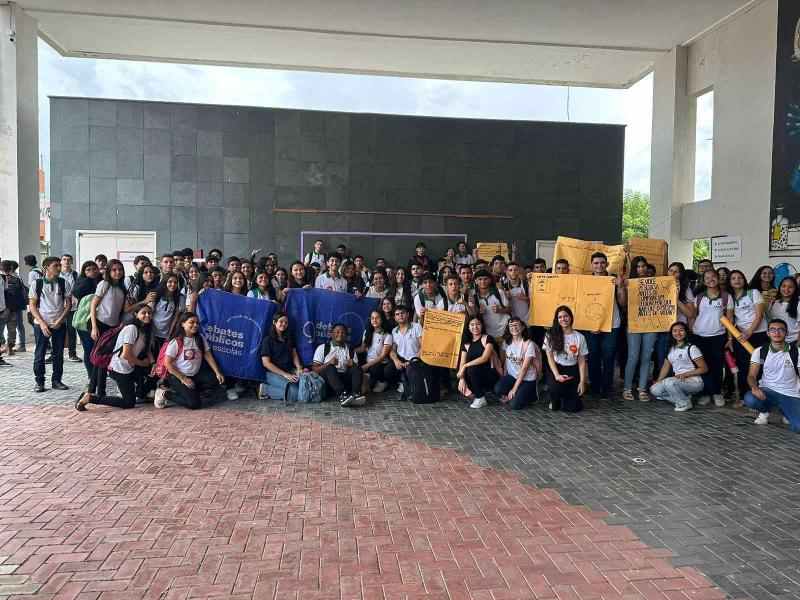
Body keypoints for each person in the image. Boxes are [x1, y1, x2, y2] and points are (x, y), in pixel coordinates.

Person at [75, 304, 155, 411]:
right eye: (143, 313)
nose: (147, 315)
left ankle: (141, 392)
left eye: (149, 313)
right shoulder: (132, 329)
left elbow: (147, 349)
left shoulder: (144, 331)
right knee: (129, 402)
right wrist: (143, 363)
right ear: (136, 314)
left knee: (152, 376)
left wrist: (153, 363)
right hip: (119, 369)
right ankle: (91, 398)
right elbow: (125, 354)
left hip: (130, 368)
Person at [159, 312, 226, 410]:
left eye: (197, 323)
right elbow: (167, 363)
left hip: (195, 375)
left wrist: (217, 372)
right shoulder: (176, 342)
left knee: (215, 380)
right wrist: (183, 378)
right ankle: (165, 394)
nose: (195, 325)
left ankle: (191, 392)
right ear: (183, 324)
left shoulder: (200, 338)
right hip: (177, 376)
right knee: (194, 404)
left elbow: (207, 354)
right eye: (191, 322)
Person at [744, 318, 800, 430]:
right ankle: (765, 411)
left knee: (798, 427)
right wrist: (754, 388)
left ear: (787, 333)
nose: (777, 333)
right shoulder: (760, 351)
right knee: (750, 398)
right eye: (773, 330)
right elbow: (751, 376)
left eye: (781, 330)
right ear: (768, 333)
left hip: (791, 394)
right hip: (768, 391)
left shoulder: (797, 352)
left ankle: (785, 411)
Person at [584, 252, 625, 400]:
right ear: (591, 265)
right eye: (596, 263)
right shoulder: (585, 281)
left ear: (607, 264)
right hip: (591, 325)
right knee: (593, 356)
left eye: (602, 263)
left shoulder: (613, 280)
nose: (599, 265)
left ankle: (607, 387)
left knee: (609, 357)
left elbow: (622, 303)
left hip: (612, 324)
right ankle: (595, 387)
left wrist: (620, 287)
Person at [28, 257, 71, 392]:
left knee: (58, 354)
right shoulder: (37, 283)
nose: (59, 268)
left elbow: (68, 305)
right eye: (56, 265)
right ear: (46, 267)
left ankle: (56, 380)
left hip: (59, 324)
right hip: (41, 324)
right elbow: (32, 306)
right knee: (39, 353)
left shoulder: (64, 283)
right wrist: (42, 323)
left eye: (59, 265)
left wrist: (59, 320)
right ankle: (39, 382)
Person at [692, 269, 734, 407]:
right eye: (707, 278)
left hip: (718, 336)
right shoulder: (698, 297)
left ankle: (716, 393)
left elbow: (729, 319)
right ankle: (705, 393)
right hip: (699, 336)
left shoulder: (726, 297)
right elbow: (692, 316)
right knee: (702, 366)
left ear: (718, 278)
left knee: (716, 366)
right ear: (704, 281)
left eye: (713, 277)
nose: (711, 279)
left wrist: (729, 338)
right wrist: (692, 332)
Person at [88, 259, 127, 400]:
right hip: (99, 324)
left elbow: (125, 309)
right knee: (99, 359)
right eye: (114, 269)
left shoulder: (122, 287)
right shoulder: (104, 284)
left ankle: (95, 390)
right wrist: (93, 327)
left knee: (103, 360)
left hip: (112, 327)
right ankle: (98, 391)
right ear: (109, 271)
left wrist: (143, 302)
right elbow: (93, 305)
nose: (117, 272)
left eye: (120, 269)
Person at [651, 322, 708, 411]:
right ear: (671, 333)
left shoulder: (691, 348)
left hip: (694, 382)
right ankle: (683, 398)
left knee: (669, 382)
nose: (678, 333)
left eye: (681, 330)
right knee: (654, 390)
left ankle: (684, 403)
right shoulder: (671, 349)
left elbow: (704, 368)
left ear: (686, 332)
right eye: (675, 331)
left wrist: (686, 374)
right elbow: (665, 367)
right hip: (678, 381)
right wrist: (658, 381)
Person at [728, 269, 768, 396]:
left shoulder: (753, 292)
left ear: (744, 280)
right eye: (733, 278)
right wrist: (731, 338)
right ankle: (744, 394)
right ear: (730, 282)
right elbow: (729, 320)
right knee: (743, 365)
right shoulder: (730, 298)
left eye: (739, 277)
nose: (737, 280)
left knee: (760, 364)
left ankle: (762, 393)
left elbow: (759, 315)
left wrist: (749, 331)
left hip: (758, 334)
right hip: (741, 337)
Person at [623, 257, 657, 402]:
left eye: (643, 266)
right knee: (633, 357)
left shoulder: (656, 283)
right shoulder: (628, 283)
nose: (641, 269)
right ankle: (627, 388)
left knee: (646, 357)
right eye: (638, 267)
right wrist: (622, 288)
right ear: (634, 269)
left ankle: (642, 389)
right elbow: (623, 304)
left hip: (651, 324)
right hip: (634, 323)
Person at [543, 306, 588, 412]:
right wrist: (557, 375)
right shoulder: (550, 334)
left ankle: (565, 396)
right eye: (560, 317)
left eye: (566, 316)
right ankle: (555, 398)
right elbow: (549, 357)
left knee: (573, 408)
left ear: (571, 317)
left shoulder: (580, 337)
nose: (563, 319)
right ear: (557, 320)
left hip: (572, 369)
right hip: (556, 368)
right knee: (556, 397)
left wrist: (582, 381)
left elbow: (582, 360)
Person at [312, 323, 366, 406]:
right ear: (331, 334)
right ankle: (343, 396)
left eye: (343, 332)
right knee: (330, 367)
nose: (340, 334)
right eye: (337, 332)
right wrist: (328, 363)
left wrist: (353, 364)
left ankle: (355, 395)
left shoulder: (351, 350)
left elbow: (356, 371)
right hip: (329, 383)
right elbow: (315, 370)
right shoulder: (323, 348)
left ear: (346, 336)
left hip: (344, 381)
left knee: (357, 368)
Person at [493, 317, 540, 409]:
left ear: (522, 327)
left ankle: (531, 395)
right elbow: (507, 360)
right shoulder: (507, 343)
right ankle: (517, 392)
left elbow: (524, 369)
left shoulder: (529, 344)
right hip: (513, 376)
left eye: (516, 325)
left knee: (515, 405)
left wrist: (514, 389)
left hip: (527, 379)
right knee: (498, 389)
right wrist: (504, 376)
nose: (514, 328)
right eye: (511, 326)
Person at [260, 311, 304, 400]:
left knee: (303, 386)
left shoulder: (289, 338)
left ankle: (277, 390)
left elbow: (294, 354)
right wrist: (285, 375)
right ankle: (264, 390)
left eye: (286, 322)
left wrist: (299, 368)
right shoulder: (268, 340)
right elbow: (266, 363)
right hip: (273, 373)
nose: (283, 324)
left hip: (290, 370)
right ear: (274, 322)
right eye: (281, 321)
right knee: (295, 394)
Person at [457, 316, 498, 408]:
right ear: (468, 327)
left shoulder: (488, 338)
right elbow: (462, 363)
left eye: (478, 324)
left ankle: (480, 398)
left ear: (482, 326)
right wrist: (462, 379)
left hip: (488, 373)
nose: (475, 327)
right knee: (460, 376)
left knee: (471, 369)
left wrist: (465, 366)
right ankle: (477, 395)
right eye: (472, 324)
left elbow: (484, 358)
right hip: (473, 374)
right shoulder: (466, 343)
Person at [355, 310, 395, 393]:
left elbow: (382, 356)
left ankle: (381, 382)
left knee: (374, 369)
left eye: (377, 318)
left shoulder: (387, 335)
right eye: (372, 318)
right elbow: (362, 348)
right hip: (368, 362)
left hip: (379, 364)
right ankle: (366, 381)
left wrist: (366, 366)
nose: (374, 320)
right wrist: (350, 351)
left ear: (382, 319)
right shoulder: (367, 332)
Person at [390, 305, 423, 395]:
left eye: (402, 313)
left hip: (415, 359)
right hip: (401, 359)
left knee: (411, 369)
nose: (400, 316)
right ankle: (401, 382)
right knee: (388, 370)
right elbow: (392, 350)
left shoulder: (416, 327)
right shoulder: (394, 331)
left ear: (408, 314)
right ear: (395, 317)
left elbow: (423, 347)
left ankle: (408, 385)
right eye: (397, 314)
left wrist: (413, 360)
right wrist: (396, 360)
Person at [151, 273, 185, 356]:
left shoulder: (179, 298)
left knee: (161, 356)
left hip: (166, 333)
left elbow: (175, 318)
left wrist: (169, 334)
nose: (173, 284)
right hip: (152, 331)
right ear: (165, 282)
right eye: (170, 282)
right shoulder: (156, 295)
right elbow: (150, 313)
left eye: (175, 282)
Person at [474, 270, 511, 340]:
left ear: (490, 280)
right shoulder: (474, 297)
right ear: (476, 281)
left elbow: (510, 309)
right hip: (488, 334)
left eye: (485, 279)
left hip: (505, 330)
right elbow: (474, 317)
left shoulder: (499, 292)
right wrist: (479, 313)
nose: (483, 282)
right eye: (480, 279)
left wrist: (500, 310)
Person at [59, 254, 81, 363]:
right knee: (57, 330)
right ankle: (55, 354)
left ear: (71, 262)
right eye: (64, 259)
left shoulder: (76, 275)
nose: (66, 261)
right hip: (58, 308)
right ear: (61, 261)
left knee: (72, 331)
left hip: (73, 307)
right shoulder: (56, 274)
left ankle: (72, 353)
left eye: (69, 259)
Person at [768, 277, 799, 344]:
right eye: (784, 286)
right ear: (779, 287)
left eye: (790, 287)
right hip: (776, 342)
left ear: (795, 289)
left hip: (793, 341)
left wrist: (798, 345)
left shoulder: (798, 303)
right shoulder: (774, 302)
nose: (786, 289)